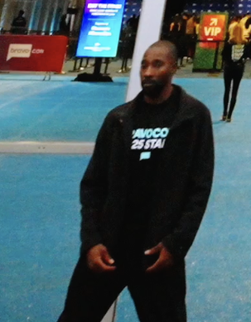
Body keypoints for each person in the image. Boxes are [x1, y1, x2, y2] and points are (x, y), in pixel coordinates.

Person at [60, 41, 216, 322]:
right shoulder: (118, 119)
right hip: (108, 248)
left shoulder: (193, 118)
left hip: (157, 254)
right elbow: (92, 186)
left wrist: (175, 245)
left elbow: (199, 189)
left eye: (158, 64)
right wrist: (92, 242)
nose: (147, 71)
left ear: (174, 69)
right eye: (144, 64)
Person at [220, 13, 251, 121]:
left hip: (228, 68)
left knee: (227, 90)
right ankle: (230, 116)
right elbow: (247, 56)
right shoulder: (245, 43)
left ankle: (224, 113)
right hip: (239, 68)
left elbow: (223, 55)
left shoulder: (229, 43)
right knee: (235, 92)